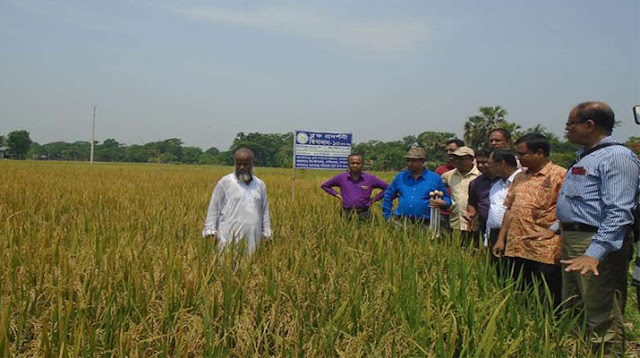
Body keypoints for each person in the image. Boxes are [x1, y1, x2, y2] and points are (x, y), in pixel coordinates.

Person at [551, 101, 640, 353]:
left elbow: (619, 212)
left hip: (596, 243)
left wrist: (594, 254)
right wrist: (555, 230)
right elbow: (585, 205)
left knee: (602, 315)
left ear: (589, 125)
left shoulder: (617, 157)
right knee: (574, 308)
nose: (566, 129)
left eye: (570, 123)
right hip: (575, 240)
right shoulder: (585, 156)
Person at [493, 134, 565, 307]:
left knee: (545, 295)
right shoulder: (520, 177)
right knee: (518, 292)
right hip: (516, 246)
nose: (518, 158)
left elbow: (567, 211)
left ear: (539, 153)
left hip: (544, 249)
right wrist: (501, 239)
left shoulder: (560, 175)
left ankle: (547, 330)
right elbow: (510, 209)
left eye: (523, 154)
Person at [203, 148, 272, 255]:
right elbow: (213, 210)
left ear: (252, 164)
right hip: (227, 243)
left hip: (254, 243)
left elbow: (265, 212)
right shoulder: (225, 182)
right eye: (238, 164)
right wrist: (210, 233)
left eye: (245, 164)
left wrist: (267, 234)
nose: (241, 167)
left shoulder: (260, 185)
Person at [382, 147, 451, 226]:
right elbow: (388, 196)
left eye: (413, 161)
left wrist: (443, 203)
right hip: (401, 221)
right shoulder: (400, 177)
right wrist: (387, 216)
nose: (409, 163)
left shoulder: (434, 178)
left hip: (425, 223)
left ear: (423, 161)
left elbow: (446, 197)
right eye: (408, 160)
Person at [321, 154, 388, 220]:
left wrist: (374, 200)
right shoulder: (341, 177)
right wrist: (337, 195)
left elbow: (388, 188)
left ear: (362, 165)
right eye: (352, 163)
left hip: (364, 213)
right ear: (348, 164)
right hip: (346, 213)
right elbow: (325, 186)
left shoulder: (370, 178)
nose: (355, 165)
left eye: (358, 163)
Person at [485, 149, 521, 266]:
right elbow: (492, 213)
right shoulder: (496, 185)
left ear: (501, 163)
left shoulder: (521, 181)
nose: (487, 167)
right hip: (495, 236)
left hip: (514, 236)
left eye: (489, 163)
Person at [441, 146, 481, 246]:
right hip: (455, 221)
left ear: (472, 159)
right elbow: (439, 188)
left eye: (461, 159)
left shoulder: (479, 175)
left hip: (475, 223)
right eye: (455, 159)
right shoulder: (448, 175)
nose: (457, 161)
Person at [465, 148, 496, 241]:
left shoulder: (504, 180)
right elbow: (472, 202)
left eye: (484, 162)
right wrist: (471, 215)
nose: (480, 165)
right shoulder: (475, 183)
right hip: (484, 226)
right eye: (478, 163)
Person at [435, 138, 465, 230]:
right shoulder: (440, 171)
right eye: (447, 150)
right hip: (444, 213)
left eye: (452, 150)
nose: (449, 153)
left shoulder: (469, 170)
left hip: (463, 214)